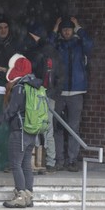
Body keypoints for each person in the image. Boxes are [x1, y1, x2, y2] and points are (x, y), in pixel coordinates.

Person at [0, 54, 41, 208]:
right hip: (32, 130)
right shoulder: (34, 85)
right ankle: (28, 195)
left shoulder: (20, 87)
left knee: (16, 164)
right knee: (26, 164)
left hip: (19, 130)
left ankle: (21, 196)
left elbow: (10, 111)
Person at [49, 16, 94, 172]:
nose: (67, 31)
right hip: (59, 92)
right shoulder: (58, 45)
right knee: (57, 127)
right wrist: (55, 28)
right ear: (61, 31)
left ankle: (72, 160)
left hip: (76, 90)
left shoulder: (79, 44)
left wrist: (78, 27)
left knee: (74, 127)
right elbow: (47, 46)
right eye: (64, 29)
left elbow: (90, 45)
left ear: (72, 30)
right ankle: (59, 159)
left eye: (69, 29)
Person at [24, 22, 64, 172]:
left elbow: (33, 73)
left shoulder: (37, 52)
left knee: (35, 127)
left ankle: (36, 160)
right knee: (48, 129)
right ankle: (49, 161)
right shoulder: (53, 52)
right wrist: (53, 92)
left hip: (39, 94)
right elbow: (60, 76)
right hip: (48, 93)